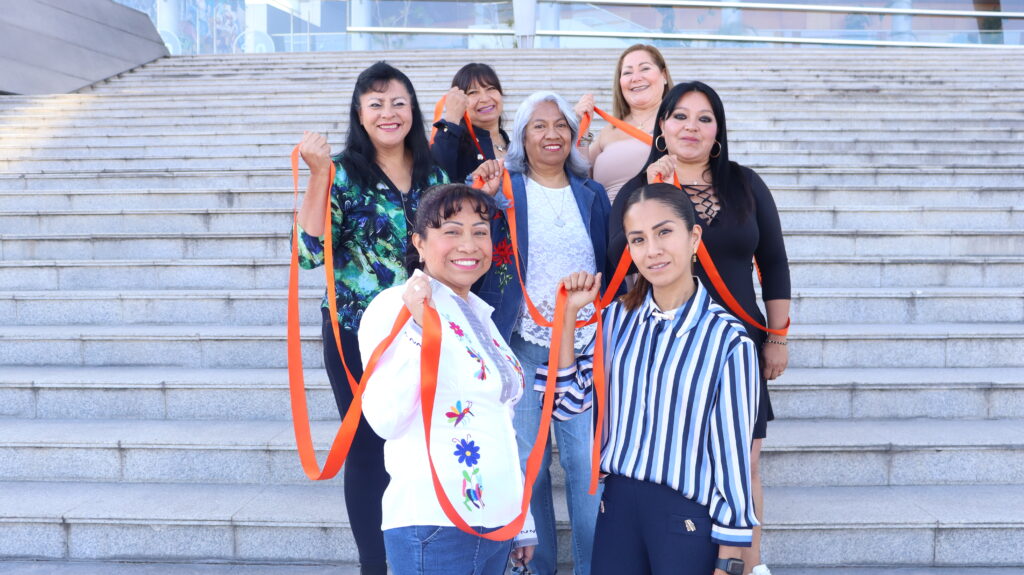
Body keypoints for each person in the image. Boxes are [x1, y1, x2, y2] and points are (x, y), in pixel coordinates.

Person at [610, 81, 792, 575]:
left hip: (737, 346)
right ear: (662, 127)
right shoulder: (639, 188)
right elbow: (617, 264)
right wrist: (654, 191)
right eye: (680, 116)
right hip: (668, 348)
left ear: (717, 131)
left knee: (744, 463)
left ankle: (747, 567)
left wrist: (777, 337)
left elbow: (774, 261)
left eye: (704, 118)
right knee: (684, 461)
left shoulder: (745, 184)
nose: (691, 126)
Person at [545, 183, 761, 575]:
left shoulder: (728, 341)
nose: (653, 250)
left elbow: (733, 458)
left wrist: (729, 560)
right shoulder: (615, 321)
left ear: (693, 237)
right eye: (638, 239)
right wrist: (568, 319)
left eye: (664, 232)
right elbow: (567, 403)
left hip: (685, 520)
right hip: (616, 513)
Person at [293, 61, 448, 575]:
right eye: (376, 103)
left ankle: (421, 555)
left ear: (414, 111)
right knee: (366, 447)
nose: (388, 113)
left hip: (423, 329)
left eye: (399, 102)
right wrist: (318, 176)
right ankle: (376, 565)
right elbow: (309, 253)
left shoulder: (435, 175)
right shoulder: (340, 172)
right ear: (359, 114)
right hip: (356, 333)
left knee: (421, 440)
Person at [358, 183, 537, 575]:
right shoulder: (393, 308)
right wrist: (419, 329)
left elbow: (499, 420)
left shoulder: (480, 315)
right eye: (452, 231)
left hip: (498, 524)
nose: (468, 245)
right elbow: (385, 419)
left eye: (480, 232)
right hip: (434, 524)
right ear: (419, 243)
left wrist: (522, 517)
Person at [471, 91, 611, 575]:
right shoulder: (505, 188)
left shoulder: (592, 193)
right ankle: (539, 566)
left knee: (585, 469)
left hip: (582, 350)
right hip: (521, 347)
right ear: (522, 136)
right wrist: (485, 196)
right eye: (538, 125)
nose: (551, 134)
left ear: (573, 134)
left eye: (561, 125)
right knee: (527, 466)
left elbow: (609, 260)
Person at [573, 44, 672, 202]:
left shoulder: (678, 123)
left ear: (664, 75)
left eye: (645, 68)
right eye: (627, 72)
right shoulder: (608, 131)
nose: (636, 78)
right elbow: (580, 176)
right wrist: (581, 129)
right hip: (606, 216)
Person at [431, 63, 510, 184]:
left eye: (490, 88)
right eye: (473, 92)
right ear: (460, 100)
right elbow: (438, 180)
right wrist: (452, 118)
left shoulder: (517, 145)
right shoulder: (455, 147)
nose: (485, 99)